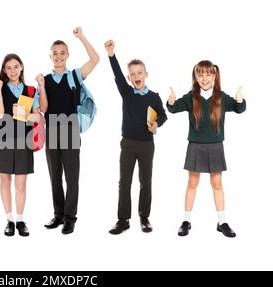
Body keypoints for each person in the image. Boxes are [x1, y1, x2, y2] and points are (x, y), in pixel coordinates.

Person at [167, 60, 246, 238]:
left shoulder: (221, 96)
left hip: (216, 146)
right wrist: (171, 102)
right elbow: (174, 108)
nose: (204, 78)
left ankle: (222, 222)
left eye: (208, 74)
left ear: (214, 76)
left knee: (217, 184)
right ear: (195, 76)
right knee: (192, 183)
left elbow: (239, 108)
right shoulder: (191, 97)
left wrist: (240, 100)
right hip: (195, 145)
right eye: (200, 74)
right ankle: (186, 220)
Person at [38, 27, 99, 235]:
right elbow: (43, 109)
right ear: (50, 56)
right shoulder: (44, 80)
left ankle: (70, 218)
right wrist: (40, 87)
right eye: (55, 53)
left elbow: (95, 59)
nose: (58, 56)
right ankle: (58, 214)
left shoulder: (74, 76)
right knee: (54, 176)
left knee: (72, 178)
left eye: (62, 52)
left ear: (67, 55)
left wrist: (82, 36)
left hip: (70, 130)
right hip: (52, 129)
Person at [104, 40, 168, 235]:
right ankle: (123, 219)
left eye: (140, 73)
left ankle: (144, 217)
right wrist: (111, 54)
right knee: (124, 182)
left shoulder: (154, 96)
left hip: (147, 145)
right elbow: (117, 74)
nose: (136, 76)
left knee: (145, 181)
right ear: (129, 78)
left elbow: (163, 115)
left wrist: (157, 123)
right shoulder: (127, 93)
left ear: (146, 74)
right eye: (132, 74)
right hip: (128, 144)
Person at [0, 54, 41, 237]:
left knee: (21, 184)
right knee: (4, 180)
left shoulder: (30, 90)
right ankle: (9, 220)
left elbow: (38, 117)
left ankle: (20, 219)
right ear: (4, 69)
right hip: (3, 139)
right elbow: (0, 114)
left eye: (16, 67)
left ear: (21, 68)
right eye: (8, 67)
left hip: (23, 140)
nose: (12, 71)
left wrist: (25, 115)